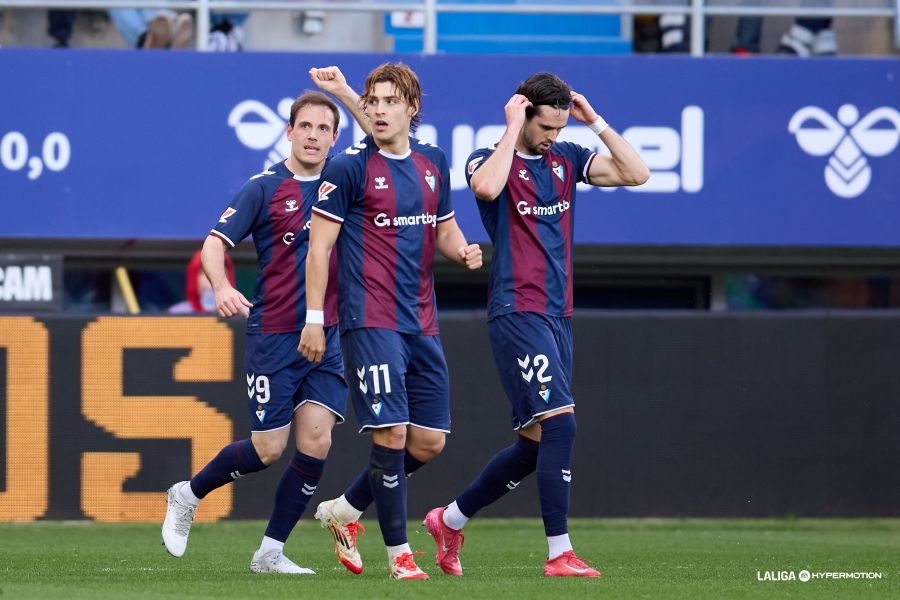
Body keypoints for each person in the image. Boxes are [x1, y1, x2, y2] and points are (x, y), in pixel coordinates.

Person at [422, 72, 649, 578]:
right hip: (517, 310)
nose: (551, 135)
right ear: (524, 115)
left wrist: (596, 123)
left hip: (558, 313)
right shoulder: (488, 157)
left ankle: (449, 519)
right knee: (562, 425)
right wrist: (511, 126)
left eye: (559, 125)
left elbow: (638, 174)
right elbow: (482, 186)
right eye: (545, 125)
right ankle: (559, 553)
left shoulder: (567, 157)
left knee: (534, 446)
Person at [161, 66, 369, 574]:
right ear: (289, 131)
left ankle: (270, 552)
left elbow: (388, 138)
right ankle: (188, 494)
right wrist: (224, 286)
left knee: (317, 440)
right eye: (307, 126)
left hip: (327, 333)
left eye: (325, 128)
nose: (315, 135)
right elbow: (213, 245)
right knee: (268, 448)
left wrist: (343, 93)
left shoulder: (345, 181)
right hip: (275, 335)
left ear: (336, 138)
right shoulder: (264, 188)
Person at [299, 62, 482, 580]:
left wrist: (462, 249)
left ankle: (345, 511)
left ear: (411, 109)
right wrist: (316, 319)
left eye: (389, 101)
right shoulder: (348, 168)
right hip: (369, 319)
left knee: (429, 442)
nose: (378, 109)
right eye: (372, 101)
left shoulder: (432, 162)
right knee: (392, 436)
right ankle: (399, 556)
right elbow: (319, 250)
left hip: (421, 321)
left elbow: (443, 228)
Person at [167, 248, 235, 314]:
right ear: (193, 278)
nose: (211, 281)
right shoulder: (177, 314)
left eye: (220, 272)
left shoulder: (242, 313)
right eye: (205, 273)